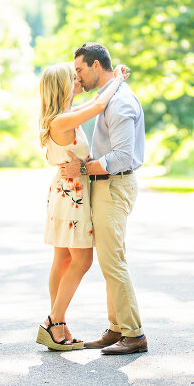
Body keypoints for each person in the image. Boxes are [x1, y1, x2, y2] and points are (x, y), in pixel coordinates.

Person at [58, 42, 147, 355]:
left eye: (80, 70)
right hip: (104, 185)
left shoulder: (120, 102)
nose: (77, 77)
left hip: (113, 185)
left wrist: (81, 167)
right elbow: (81, 107)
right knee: (111, 260)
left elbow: (122, 156)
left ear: (96, 66)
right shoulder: (108, 93)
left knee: (113, 262)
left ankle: (134, 334)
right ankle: (116, 328)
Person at [36, 61, 128, 351]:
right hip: (71, 194)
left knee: (62, 260)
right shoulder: (62, 120)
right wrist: (118, 78)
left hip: (66, 192)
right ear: (63, 85)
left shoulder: (64, 115)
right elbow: (99, 105)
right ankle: (54, 321)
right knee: (82, 261)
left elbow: (92, 102)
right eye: (73, 76)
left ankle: (59, 326)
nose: (79, 78)